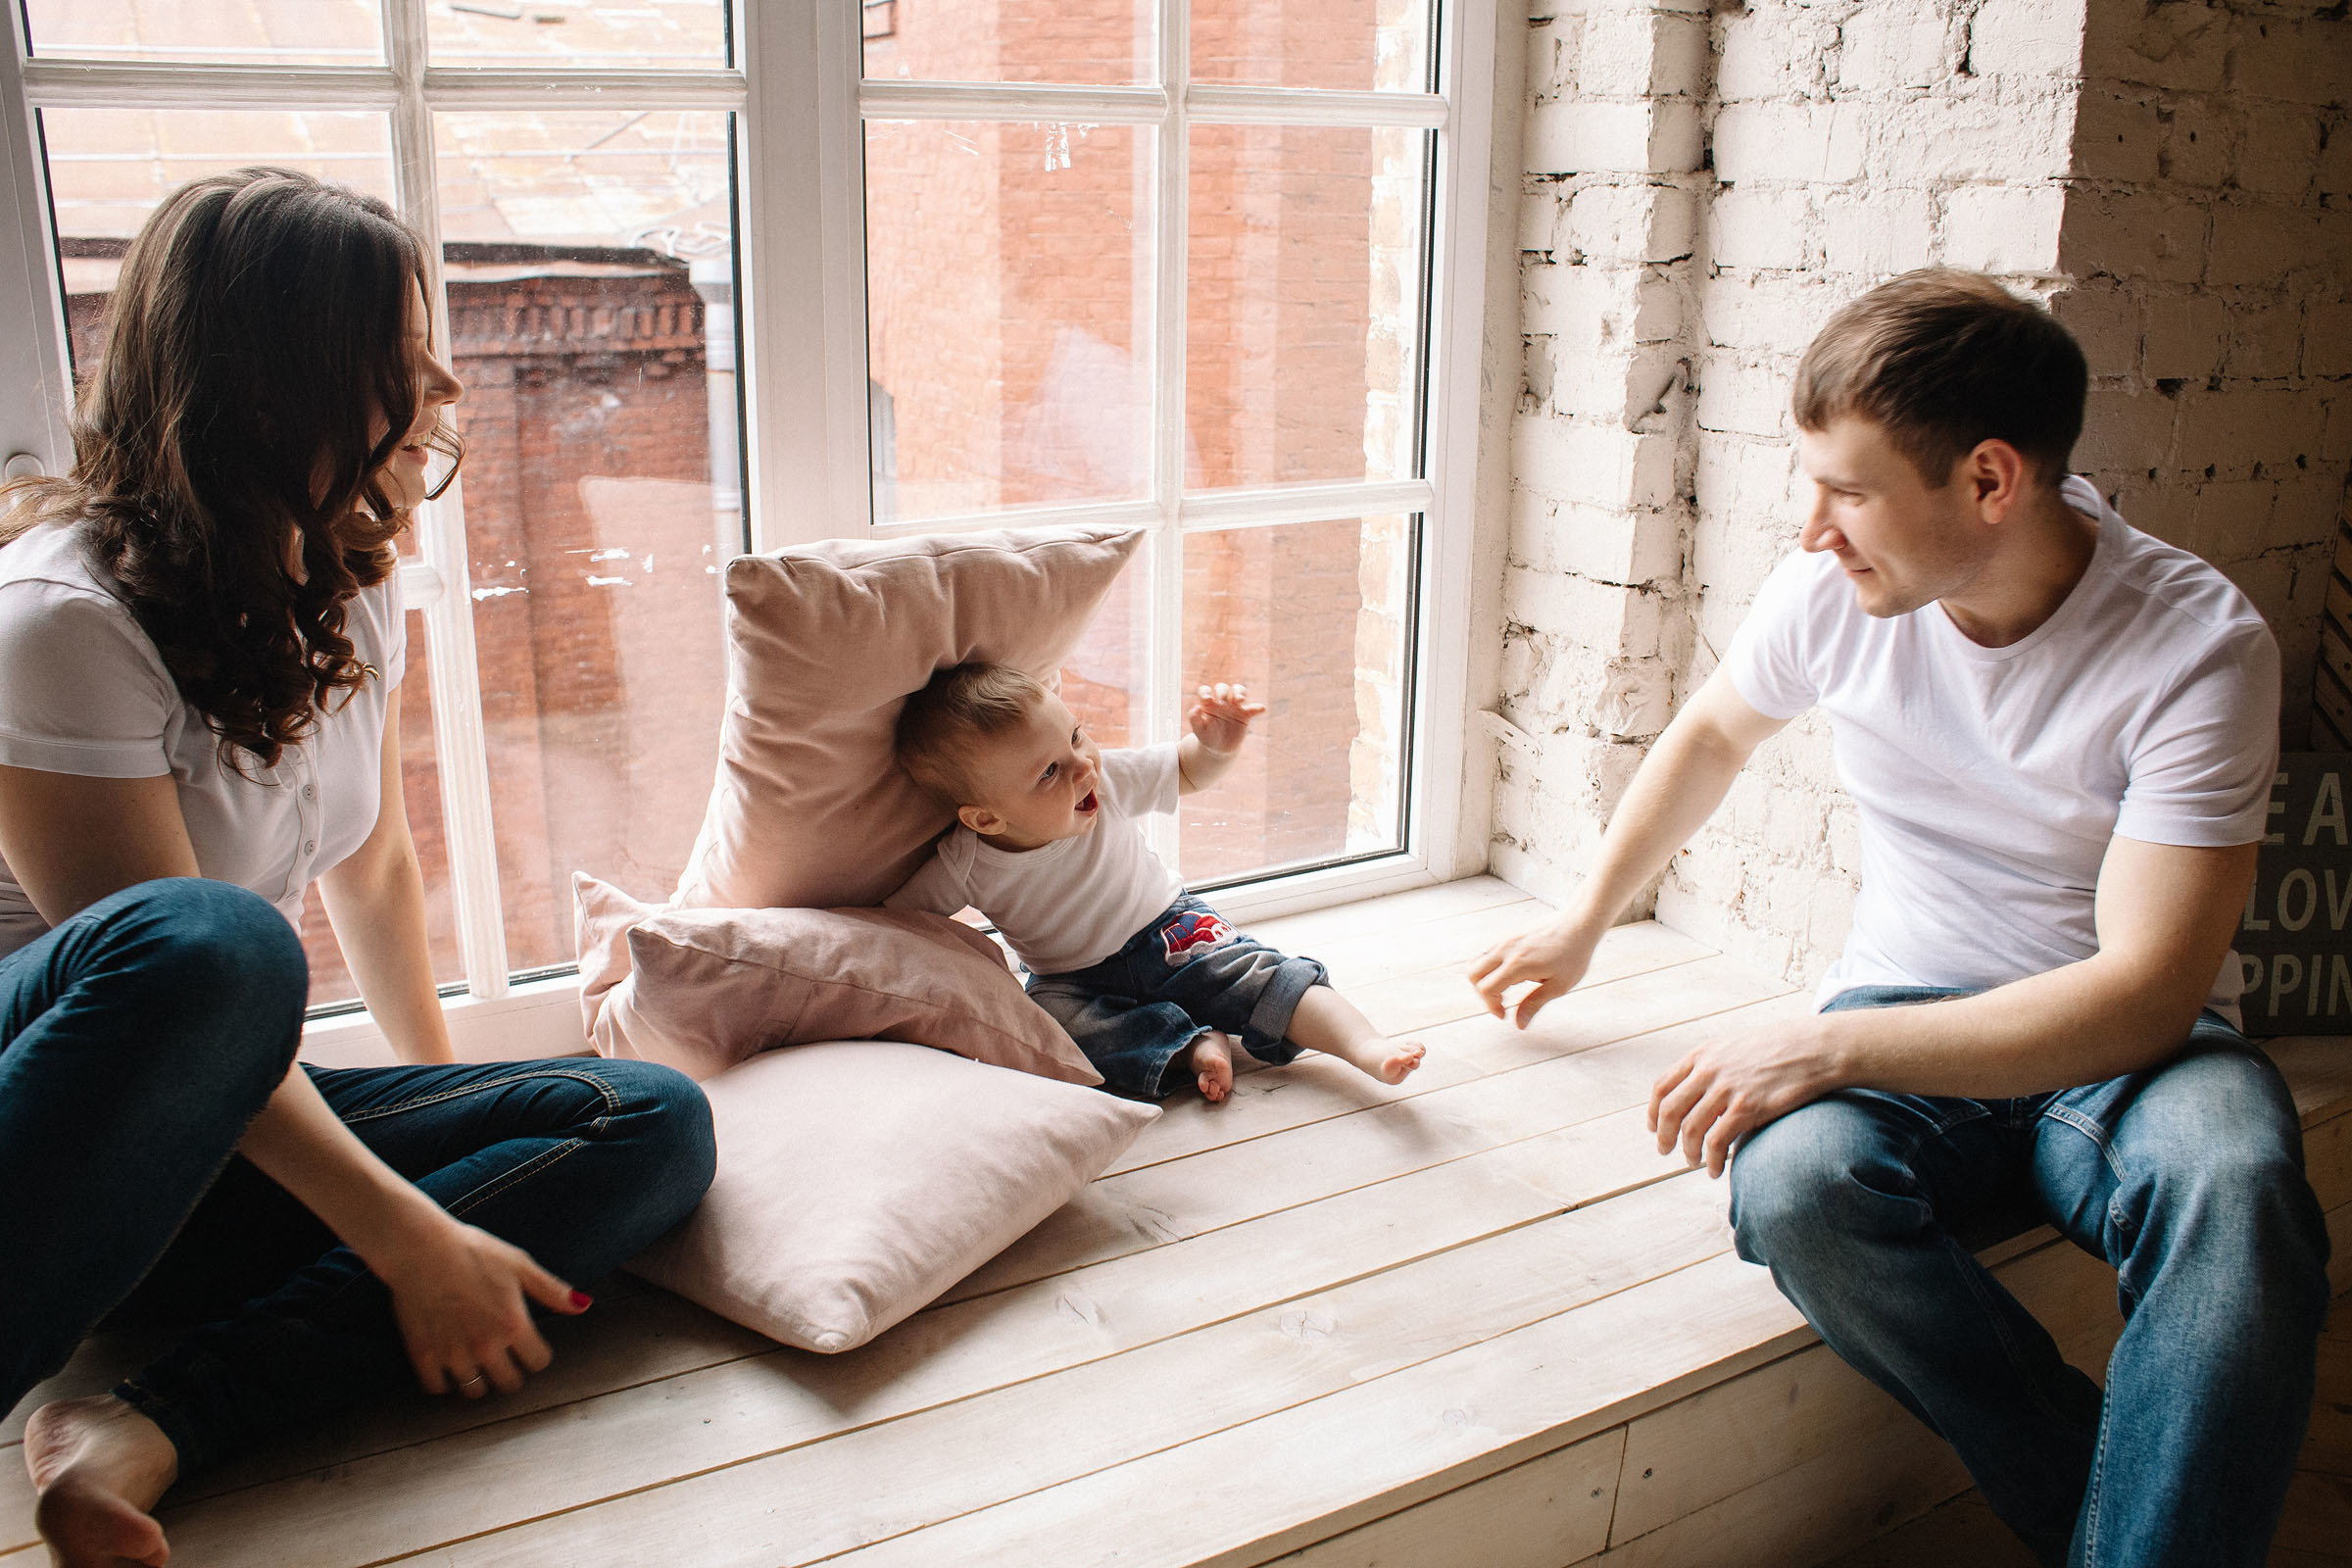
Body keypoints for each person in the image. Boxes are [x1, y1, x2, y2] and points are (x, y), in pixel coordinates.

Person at [1467, 269, 2329, 1567]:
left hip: (2129, 1060)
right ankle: (2115, 1528)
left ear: (1990, 481)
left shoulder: (2195, 646)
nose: (1814, 528)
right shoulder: (1835, 594)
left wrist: (1823, 1048)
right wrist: (1587, 919)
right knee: (1795, 1184)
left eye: (1850, 490)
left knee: (2241, 1179)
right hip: (1912, 1019)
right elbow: (1710, 735)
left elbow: (2151, 990)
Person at [0, 169, 716, 1568]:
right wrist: (407, 1236)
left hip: (208, 1149)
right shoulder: (57, 622)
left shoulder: (347, 575)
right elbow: (176, 1007)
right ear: (266, 391)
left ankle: (150, 1427)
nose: (445, 385)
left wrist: (447, 1117)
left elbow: (375, 865)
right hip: (53, 1156)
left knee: (650, 1123)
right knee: (217, 947)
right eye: (398, 361)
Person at [885, 662, 1425, 1101]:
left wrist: (1214, 745)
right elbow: (895, 924)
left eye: (1076, 736)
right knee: (1046, 1027)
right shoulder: (965, 863)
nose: (1082, 767)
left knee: (1267, 979)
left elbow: (1186, 770)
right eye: (1049, 772)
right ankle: (1188, 1043)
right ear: (985, 819)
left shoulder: (1109, 778)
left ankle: (1365, 1047)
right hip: (1073, 978)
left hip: (1171, 932)